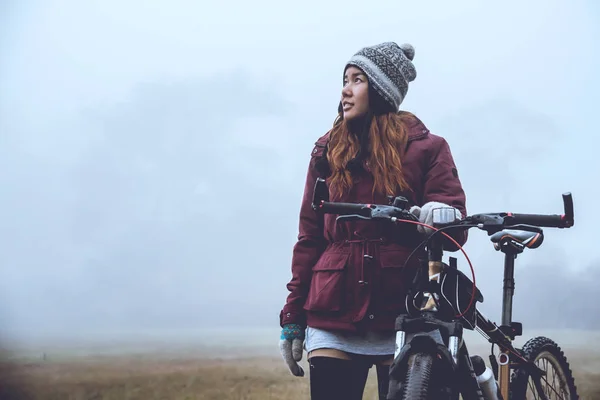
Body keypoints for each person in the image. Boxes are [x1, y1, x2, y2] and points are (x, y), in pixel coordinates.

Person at [278, 41, 468, 400]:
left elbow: (454, 219)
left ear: (381, 90)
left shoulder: (429, 148)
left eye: (357, 80)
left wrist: (443, 212)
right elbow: (309, 237)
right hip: (332, 312)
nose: (345, 91)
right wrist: (292, 316)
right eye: (345, 80)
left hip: (407, 313)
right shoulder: (326, 151)